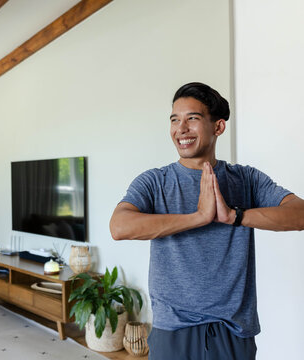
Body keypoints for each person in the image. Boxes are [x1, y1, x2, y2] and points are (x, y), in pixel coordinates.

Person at [109, 82, 304, 360]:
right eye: (175, 120)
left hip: (233, 332)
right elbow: (119, 227)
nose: (181, 129)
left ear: (218, 127)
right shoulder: (154, 181)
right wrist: (198, 217)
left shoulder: (246, 179)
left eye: (193, 119)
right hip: (172, 331)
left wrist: (236, 216)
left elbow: (299, 214)